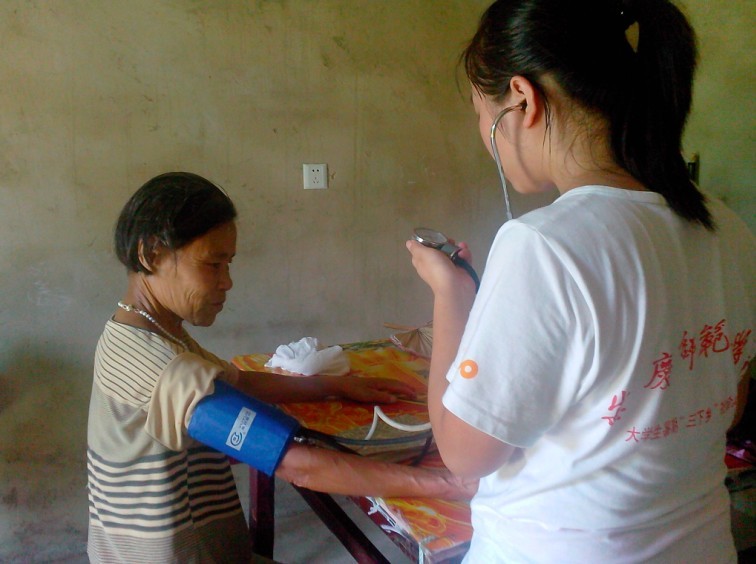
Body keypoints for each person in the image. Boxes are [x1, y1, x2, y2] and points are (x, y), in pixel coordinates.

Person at [405, 0, 754, 562]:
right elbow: (727, 407)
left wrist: (451, 294)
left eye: (479, 112)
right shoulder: (726, 226)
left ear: (522, 99)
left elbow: (466, 454)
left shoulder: (542, 244)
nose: (484, 136)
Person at [86, 171, 476, 563]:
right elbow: (297, 466)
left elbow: (237, 383)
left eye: (228, 264)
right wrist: (446, 483)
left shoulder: (141, 332)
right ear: (151, 255)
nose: (227, 282)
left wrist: (334, 386)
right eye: (213, 264)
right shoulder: (161, 367)